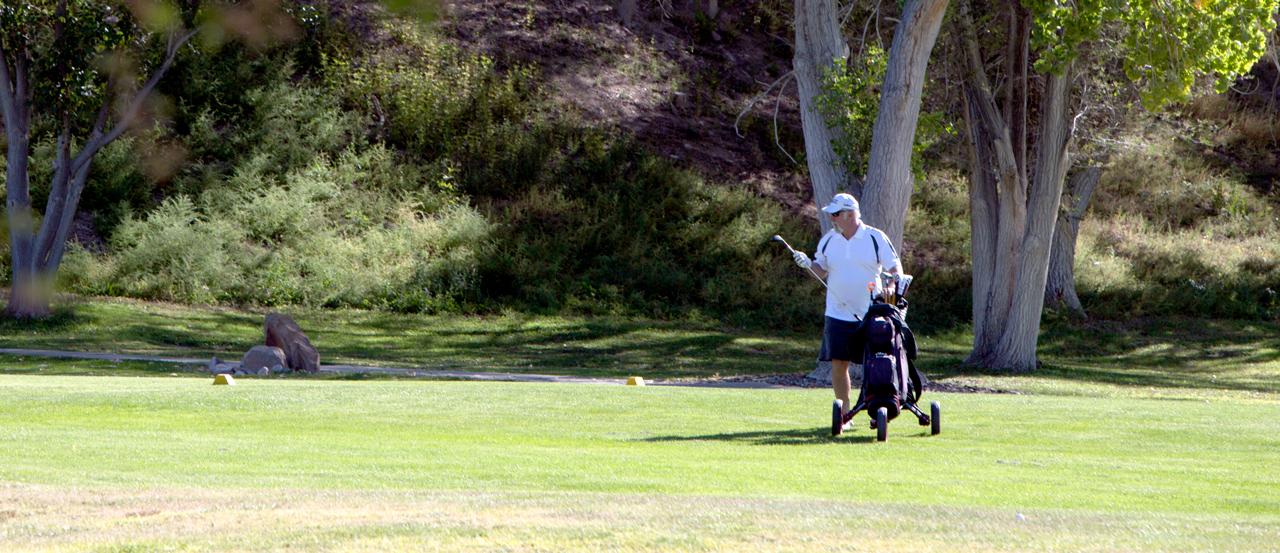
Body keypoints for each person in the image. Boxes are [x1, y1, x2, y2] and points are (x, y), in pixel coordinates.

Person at [792, 192, 902, 421]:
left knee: (876, 363)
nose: (832, 219)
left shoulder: (875, 237)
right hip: (837, 312)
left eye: (836, 214)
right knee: (839, 363)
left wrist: (892, 285)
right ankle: (845, 415)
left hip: (871, 314)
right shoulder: (829, 240)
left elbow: (895, 269)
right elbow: (820, 270)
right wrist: (807, 264)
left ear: (850, 214)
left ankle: (878, 408)